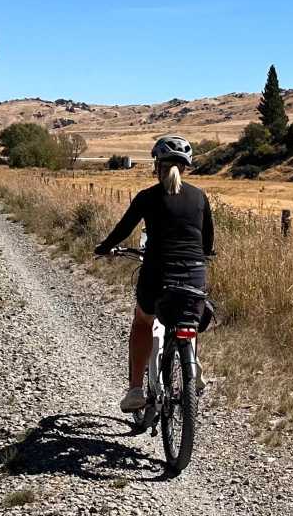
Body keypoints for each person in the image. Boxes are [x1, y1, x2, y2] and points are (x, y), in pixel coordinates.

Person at [93, 134, 213, 413]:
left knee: (143, 322)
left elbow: (123, 230)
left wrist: (103, 248)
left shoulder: (147, 197)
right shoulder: (199, 197)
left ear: (157, 165)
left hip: (157, 274)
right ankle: (191, 366)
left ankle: (135, 389)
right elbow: (207, 243)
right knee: (187, 319)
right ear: (185, 167)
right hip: (194, 273)